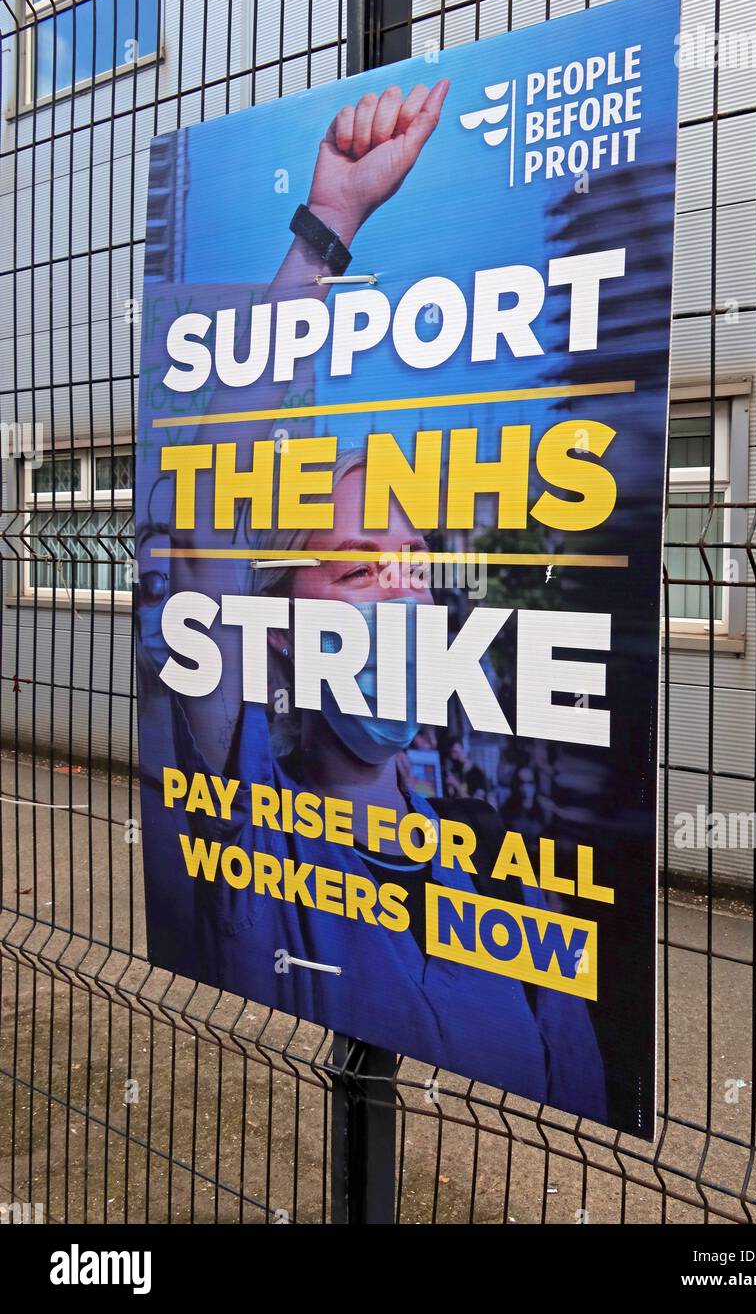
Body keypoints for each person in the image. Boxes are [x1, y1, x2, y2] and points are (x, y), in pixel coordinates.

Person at [141, 82, 606, 1117]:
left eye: (408, 568)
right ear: (278, 626)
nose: (392, 596)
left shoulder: (496, 871)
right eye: (352, 568)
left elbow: (569, 1068)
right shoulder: (246, 804)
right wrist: (325, 230)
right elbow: (209, 502)